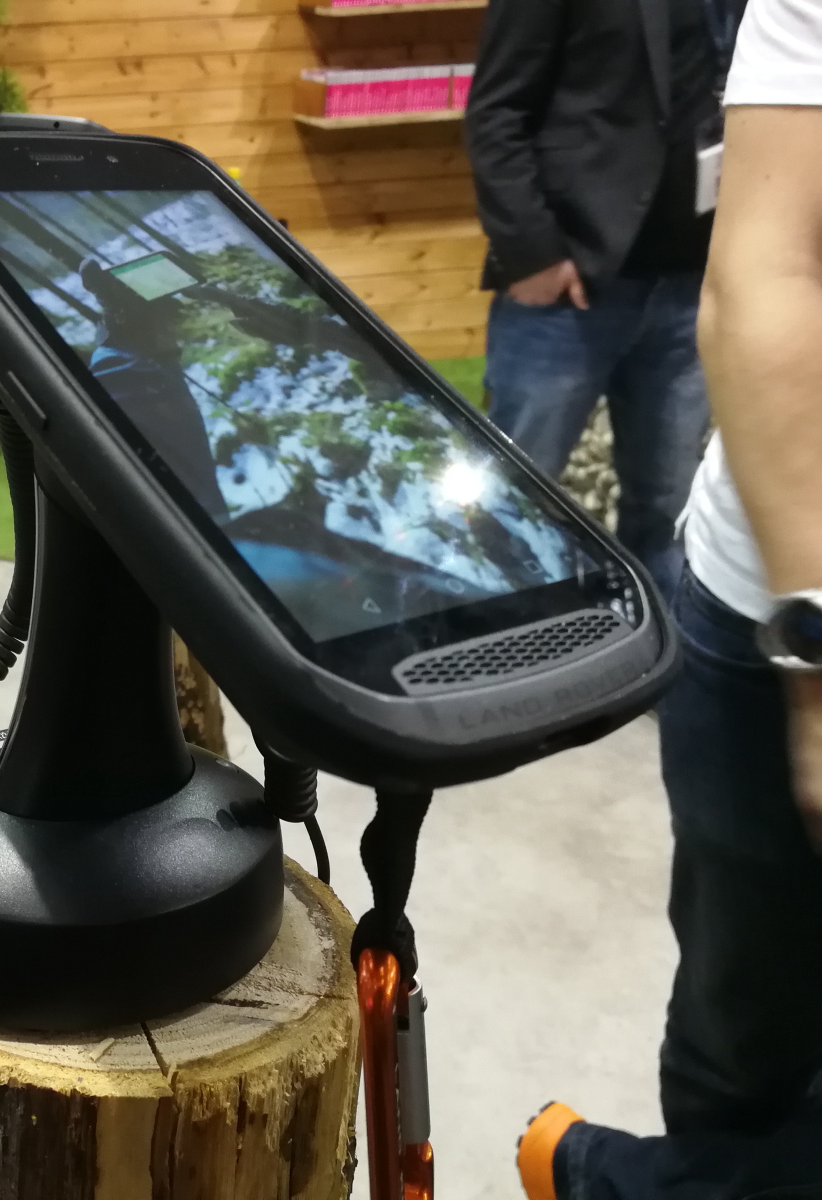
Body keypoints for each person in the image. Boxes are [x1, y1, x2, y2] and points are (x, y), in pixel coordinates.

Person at [514, 0, 822, 1196]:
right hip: (581, 278)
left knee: (646, 514)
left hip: (665, 272)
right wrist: (533, 248)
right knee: (525, 496)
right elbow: (501, 106)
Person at [465, 0, 735, 604]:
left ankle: (660, 648)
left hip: (693, 282)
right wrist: (530, 253)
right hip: (569, 285)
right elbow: (496, 112)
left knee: (668, 502)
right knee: (513, 493)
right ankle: (487, 634)